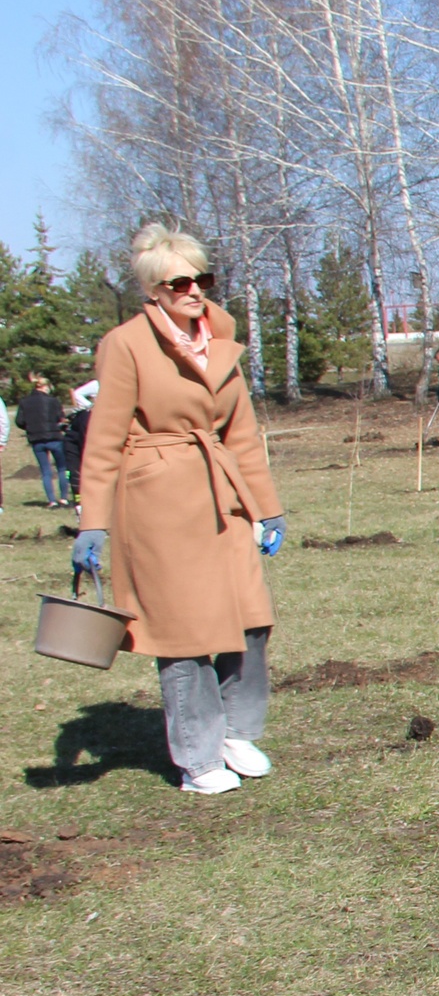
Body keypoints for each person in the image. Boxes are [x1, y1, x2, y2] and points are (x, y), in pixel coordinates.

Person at [72, 224, 286, 795]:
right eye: (181, 282)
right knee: (184, 634)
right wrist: (92, 520)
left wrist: (266, 509)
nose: (196, 290)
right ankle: (197, 759)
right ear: (155, 291)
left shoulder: (220, 340)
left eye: (203, 278)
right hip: (158, 502)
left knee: (252, 619)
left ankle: (237, 732)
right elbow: (104, 439)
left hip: (224, 498)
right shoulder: (126, 344)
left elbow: (241, 432)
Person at [18, 375, 70, 507]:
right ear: (45, 387)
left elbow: (20, 421)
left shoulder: (24, 402)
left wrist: (30, 427)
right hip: (54, 437)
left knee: (45, 471)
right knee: (62, 468)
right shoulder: (53, 401)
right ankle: (64, 497)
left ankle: (51, 500)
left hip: (36, 439)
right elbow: (60, 418)